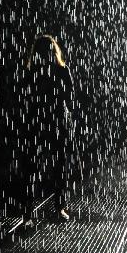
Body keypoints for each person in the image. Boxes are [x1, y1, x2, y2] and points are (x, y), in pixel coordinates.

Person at [23, 34, 74, 222]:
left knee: (34, 168)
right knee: (58, 167)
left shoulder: (33, 73)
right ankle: (59, 207)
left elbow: (25, 98)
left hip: (40, 123)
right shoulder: (61, 71)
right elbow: (70, 97)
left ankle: (28, 211)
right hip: (56, 123)